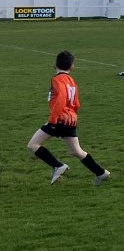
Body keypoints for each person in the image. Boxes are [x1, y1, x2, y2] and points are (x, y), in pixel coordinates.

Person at [27, 50, 110, 186]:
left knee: (33, 145)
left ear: (55, 65)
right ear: (72, 66)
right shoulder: (71, 81)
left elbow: (60, 100)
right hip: (70, 119)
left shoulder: (57, 80)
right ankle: (101, 173)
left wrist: (53, 121)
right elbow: (76, 102)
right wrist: (72, 114)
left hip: (59, 119)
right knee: (76, 151)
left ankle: (57, 166)